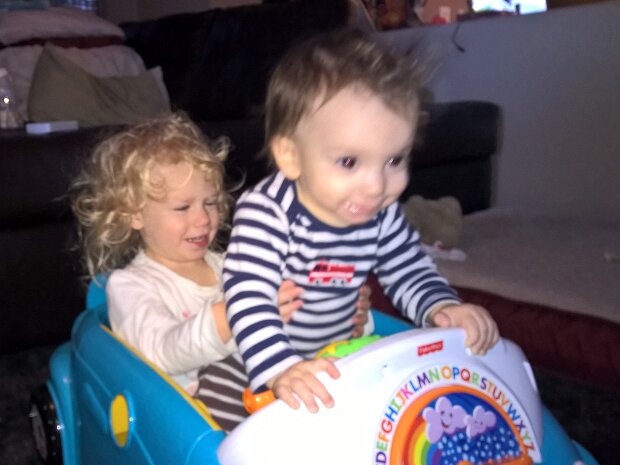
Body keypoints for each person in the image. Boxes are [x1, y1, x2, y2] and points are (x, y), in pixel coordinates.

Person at [223, 29, 499, 414]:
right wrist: (281, 367)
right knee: (224, 419)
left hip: (340, 356)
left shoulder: (380, 213)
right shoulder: (267, 212)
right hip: (259, 360)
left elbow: (408, 269)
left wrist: (442, 306)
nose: (376, 187)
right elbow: (247, 293)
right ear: (290, 156)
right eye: (349, 162)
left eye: (394, 160)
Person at [71, 112, 372, 432]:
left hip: (272, 401)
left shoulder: (238, 262)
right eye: (183, 207)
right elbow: (159, 352)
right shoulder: (129, 286)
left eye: (211, 203)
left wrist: (344, 313)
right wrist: (231, 317)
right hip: (192, 425)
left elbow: (297, 324)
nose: (203, 219)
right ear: (134, 215)